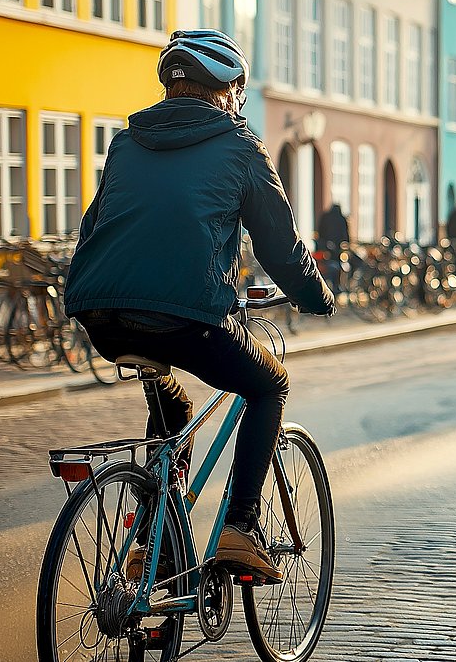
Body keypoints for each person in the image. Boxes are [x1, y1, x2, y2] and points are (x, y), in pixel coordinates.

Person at [64, 29, 335, 584]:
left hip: (101, 312)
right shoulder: (239, 144)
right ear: (229, 89)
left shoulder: (124, 142)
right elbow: (280, 248)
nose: (240, 100)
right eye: (240, 89)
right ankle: (241, 527)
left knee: (174, 410)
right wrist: (317, 296)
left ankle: (149, 546)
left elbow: (95, 227)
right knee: (269, 385)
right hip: (186, 317)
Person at [315, 203, 351, 294]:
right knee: (339, 267)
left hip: (324, 250)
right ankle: (338, 286)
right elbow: (346, 237)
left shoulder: (325, 217)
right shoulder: (341, 218)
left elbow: (319, 232)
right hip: (336, 251)